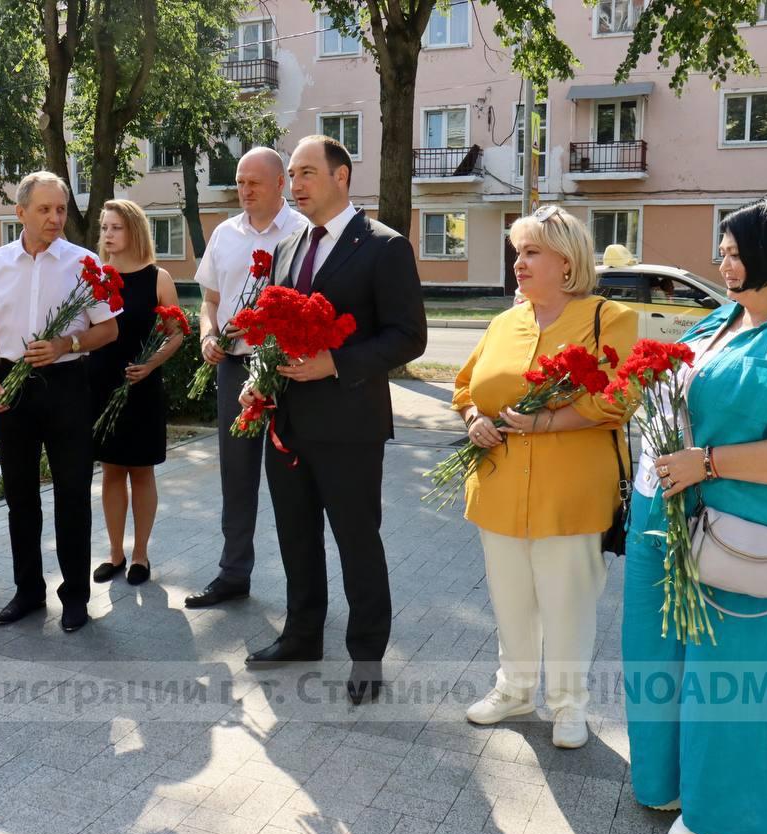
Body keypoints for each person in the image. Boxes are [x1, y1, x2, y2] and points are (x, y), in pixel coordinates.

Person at [623, 192, 767, 834]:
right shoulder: (721, 320)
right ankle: (666, 778)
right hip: (663, 521)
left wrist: (709, 463)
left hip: (744, 535)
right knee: (654, 656)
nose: (722, 261)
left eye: (733, 252)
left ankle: (719, 816)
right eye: (722, 251)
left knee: (726, 677)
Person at [240, 136, 426, 705]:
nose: (294, 185)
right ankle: (302, 635)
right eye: (291, 174)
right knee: (296, 537)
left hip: (349, 425)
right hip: (288, 420)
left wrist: (335, 362)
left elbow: (409, 337)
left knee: (355, 541)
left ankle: (366, 655)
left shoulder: (384, 246)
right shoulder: (292, 244)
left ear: (342, 176)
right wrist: (262, 372)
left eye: (306, 173)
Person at [453, 205, 636, 747]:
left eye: (531, 252)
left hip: (571, 490)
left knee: (568, 601)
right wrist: (474, 420)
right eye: (517, 253)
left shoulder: (609, 318)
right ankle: (514, 690)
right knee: (510, 598)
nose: (519, 263)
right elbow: (466, 386)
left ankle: (568, 706)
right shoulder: (504, 322)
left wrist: (548, 421)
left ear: (567, 261)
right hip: (500, 486)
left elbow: (620, 397)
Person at [0, 171, 120, 633]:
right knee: (20, 498)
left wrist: (66, 344)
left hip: (68, 383)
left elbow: (108, 329)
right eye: (45, 209)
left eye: (60, 209)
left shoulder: (84, 261)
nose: (55, 218)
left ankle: (75, 597)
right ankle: (28, 591)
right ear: (20, 213)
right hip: (13, 384)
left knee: (73, 494)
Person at [186, 147, 306, 609]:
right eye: (240, 181)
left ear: (281, 184)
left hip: (286, 372)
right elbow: (209, 301)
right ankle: (233, 573)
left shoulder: (301, 232)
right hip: (234, 368)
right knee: (236, 478)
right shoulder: (224, 234)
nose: (245, 190)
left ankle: (303, 588)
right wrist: (208, 335)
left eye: (254, 182)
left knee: (290, 479)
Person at [88, 200, 184, 586]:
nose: (108, 235)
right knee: (110, 471)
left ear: (134, 231)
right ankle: (115, 553)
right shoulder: (95, 277)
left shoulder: (157, 277)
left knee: (141, 472)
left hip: (143, 385)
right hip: (101, 383)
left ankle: (140, 555)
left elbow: (176, 332)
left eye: (116, 228)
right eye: (105, 227)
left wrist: (152, 364)